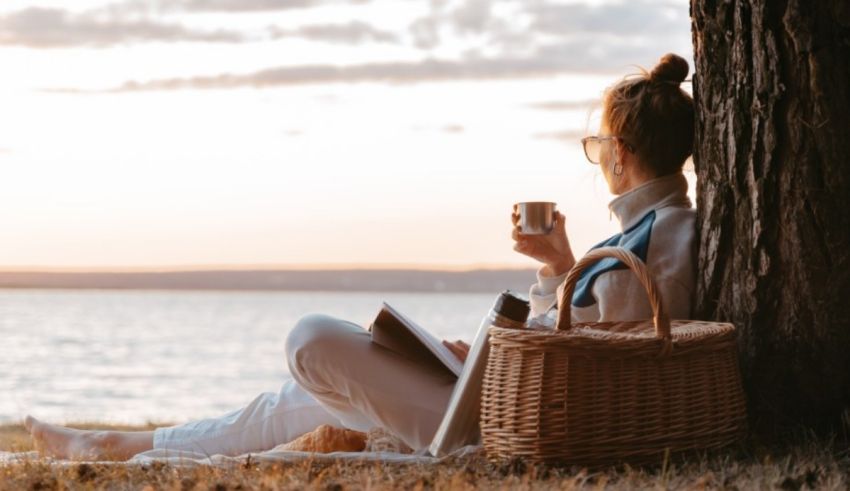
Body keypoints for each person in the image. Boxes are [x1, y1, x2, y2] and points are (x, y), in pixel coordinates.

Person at [23, 52, 696, 461]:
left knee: (311, 340)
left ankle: (120, 444)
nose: (595, 158)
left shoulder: (661, 239)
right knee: (297, 397)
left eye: (594, 147)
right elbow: (588, 336)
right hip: (495, 396)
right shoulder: (645, 232)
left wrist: (500, 351)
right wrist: (555, 268)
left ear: (620, 153)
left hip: (504, 423)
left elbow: (604, 360)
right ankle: (119, 444)